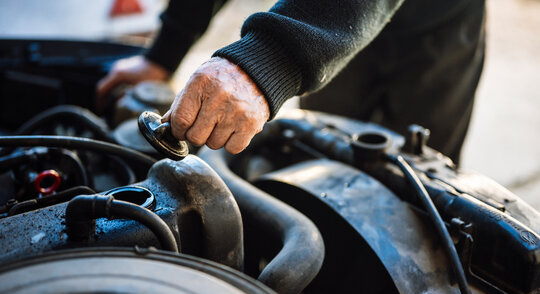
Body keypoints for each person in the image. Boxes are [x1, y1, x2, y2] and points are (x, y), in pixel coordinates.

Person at [98, 0, 485, 162]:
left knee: (420, 176)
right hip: (330, 24)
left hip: (430, 30)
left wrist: (271, 60)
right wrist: (164, 54)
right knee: (332, 157)